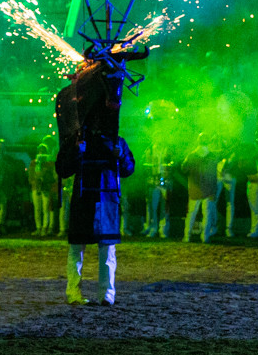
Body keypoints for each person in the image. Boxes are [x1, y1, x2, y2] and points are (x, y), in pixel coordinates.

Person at [56, 131, 135, 306]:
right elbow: (62, 169)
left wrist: (120, 155)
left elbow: (128, 168)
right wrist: (76, 151)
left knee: (107, 248)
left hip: (106, 199)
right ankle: (74, 292)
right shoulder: (77, 139)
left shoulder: (116, 141)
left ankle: (107, 294)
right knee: (77, 248)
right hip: (84, 200)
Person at [181, 133, 218, 243]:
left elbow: (184, 169)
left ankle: (187, 236)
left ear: (198, 141)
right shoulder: (212, 156)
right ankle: (205, 237)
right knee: (207, 214)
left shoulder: (191, 155)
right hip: (208, 188)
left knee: (191, 213)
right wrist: (214, 190)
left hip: (194, 187)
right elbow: (214, 175)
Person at [143, 141, 173, 238]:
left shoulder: (168, 149)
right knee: (153, 207)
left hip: (166, 182)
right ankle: (153, 229)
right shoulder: (149, 151)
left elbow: (173, 164)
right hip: (153, 182)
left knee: (165, 207)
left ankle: (163, 230)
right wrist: (150, 178)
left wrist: (167, 173)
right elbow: (144, 165)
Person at [29, 141, 57, 236]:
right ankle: (38, 227)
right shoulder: (33, 163)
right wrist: (35, 182)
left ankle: (45, 227)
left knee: (45, 208)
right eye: (40, 151)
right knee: (37, 209)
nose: (41, 153)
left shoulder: (50, 163)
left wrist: (44, 175)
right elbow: (31, 176)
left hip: (46, 188)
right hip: (36, 188)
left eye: (43, 151)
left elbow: (52, 177)